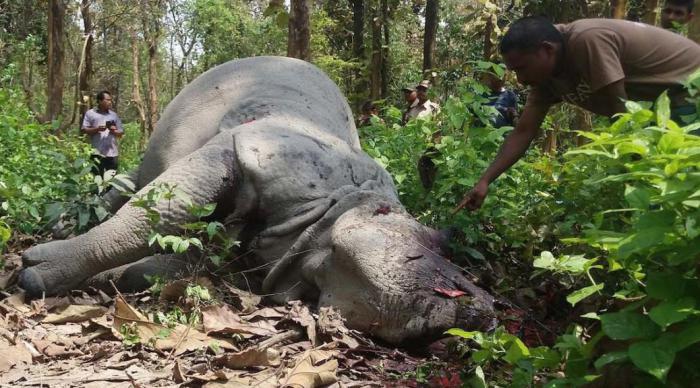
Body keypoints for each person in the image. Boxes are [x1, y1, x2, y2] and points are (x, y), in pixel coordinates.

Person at [456, 16, 700, 212]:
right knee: (663, 194)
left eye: (522, 68)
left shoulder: (586, 40)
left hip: (692, 88)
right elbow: (523, 131)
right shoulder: (544, 79)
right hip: (670, 101)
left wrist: (640, 173)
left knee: (674, 186)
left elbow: (622, 116)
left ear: (547, 50)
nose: (520, 79)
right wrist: (485, 180)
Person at [81, 90, 124, 177]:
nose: (110, 102)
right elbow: (84, 130)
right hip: (96, 152)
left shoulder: (113, 115)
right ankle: (97, 191)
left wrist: (113, 131)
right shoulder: (90, 113)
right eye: (107, 100)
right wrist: (97, 129)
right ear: (100, 101)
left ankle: (110, 191)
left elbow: (121, 132)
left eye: (110, 100)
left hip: (112, 153)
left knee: (112, 181)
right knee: (97, 178)